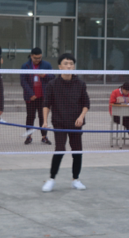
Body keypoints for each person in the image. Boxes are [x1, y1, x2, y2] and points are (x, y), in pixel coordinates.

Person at [41, 53, 90, 192]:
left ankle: (76, 179)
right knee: (59, 150)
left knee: (77, 151)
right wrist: (44, 121)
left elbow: (86, 103)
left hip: (76, 124)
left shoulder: (80, 84)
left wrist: (81, 116)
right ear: (60, 66)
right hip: (59, 123)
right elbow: (46, 104)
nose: (69, 66)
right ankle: (51, 179)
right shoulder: (52, 84)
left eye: (71, 64)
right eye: (66, 63)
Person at [20, 48, 53, 145]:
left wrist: (44, 75)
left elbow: (53, 77)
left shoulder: (47, 65)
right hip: (31, 97)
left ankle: (44, 137)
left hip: (43, 96)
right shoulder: (25, 66)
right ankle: (29, 136)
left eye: (39, 58)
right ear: (31, 56)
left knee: (42, 117)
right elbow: (23, 82)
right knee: (30, 116)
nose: (37, 60)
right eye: (35, 58)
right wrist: (31, 94)